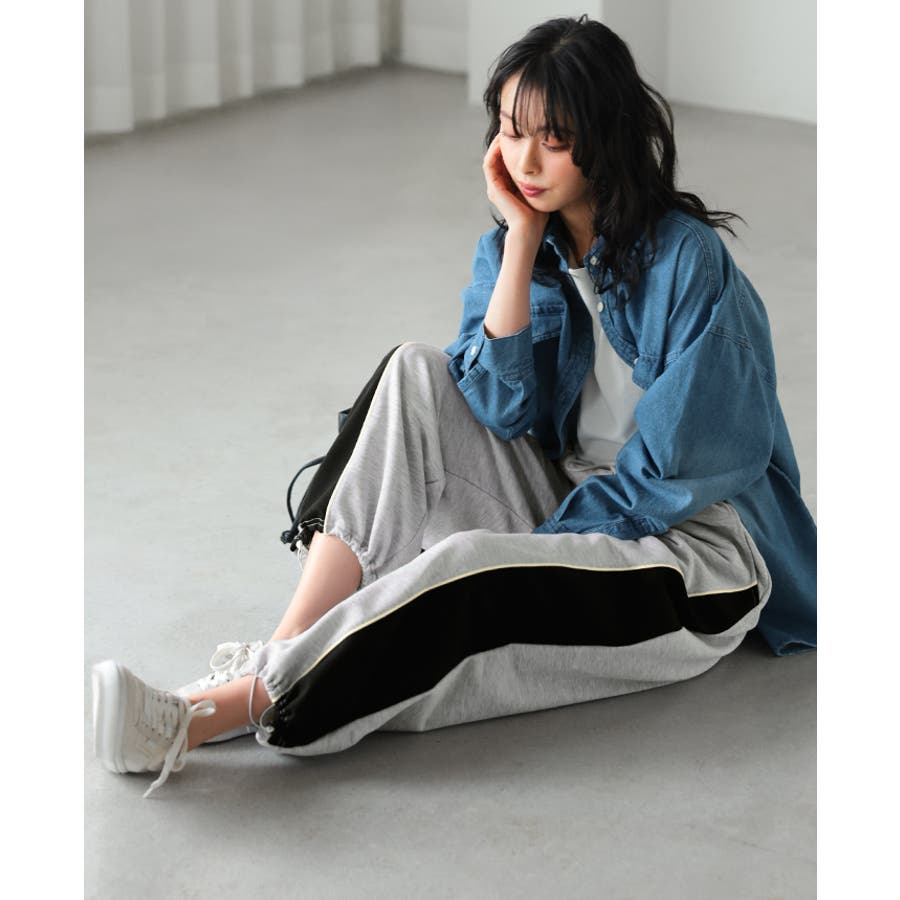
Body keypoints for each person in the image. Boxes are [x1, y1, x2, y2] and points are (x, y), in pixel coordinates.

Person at [91, 15, 816, 799]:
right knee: (414, 370)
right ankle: (284, 647)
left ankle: (202, 718)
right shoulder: (518, 247)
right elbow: (497, 407)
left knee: (468, 569)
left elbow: (677, 468)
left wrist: (538, 551)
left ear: (605, 137)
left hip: (689, 554)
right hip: (572, 495)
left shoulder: (688, 262)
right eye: (510, 131)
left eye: (554, 138)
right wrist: (521, 239)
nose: (525, 161)